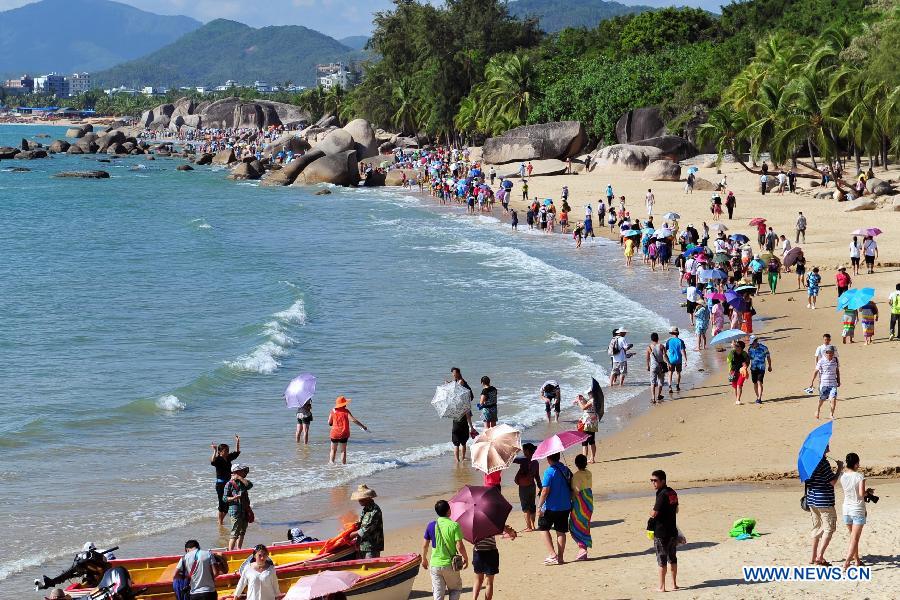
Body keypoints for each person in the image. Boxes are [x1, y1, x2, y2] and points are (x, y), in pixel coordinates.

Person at [422, 500, 468, 600]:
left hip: (435, 565)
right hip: (450, 565)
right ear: (449, 511)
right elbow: (460, 546)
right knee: (455, 589)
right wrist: (466, 558)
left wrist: (424, 559)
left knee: (438, 594)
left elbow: (425, 545)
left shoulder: (431, 525)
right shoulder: (454, 525)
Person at [806, 447, 842, 566]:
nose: (829, 449)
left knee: (817, 526)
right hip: (824, 500)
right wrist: (839, 469)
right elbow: (832, 481)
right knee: (829, 528)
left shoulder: (809, 462)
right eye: (826, 447)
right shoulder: (823, 463)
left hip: (811, 499)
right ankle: (819, 557)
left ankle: (812, 557)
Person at [537, 452, 573, 565]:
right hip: (565, 505)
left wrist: (539, 506)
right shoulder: (566, 469)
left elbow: (545, 491)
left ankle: (553, 555)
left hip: (551, 507)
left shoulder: (549, 471)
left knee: (543, 528)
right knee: (561, 531)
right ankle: (560, 558)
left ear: (548, 458)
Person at [649, 470, 679, 592]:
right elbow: (676, 509)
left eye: (655, 480)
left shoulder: (661, 494)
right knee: (672, 558)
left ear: (663, 481)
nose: (653, 483)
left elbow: (655, 513)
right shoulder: (672, 492)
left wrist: (650, 512)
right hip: (672, 531)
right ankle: (674, 584)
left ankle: (661, 587)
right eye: (651, 480)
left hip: (662, 532)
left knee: (662, 560)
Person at [840, 452, 870, 570]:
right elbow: (862, 494)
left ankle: (857, 559)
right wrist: (869, 493)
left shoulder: (843, 476)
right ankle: (847, 562)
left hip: (846, 509)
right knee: (855, 538)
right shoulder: (859, 476)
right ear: (856, 463)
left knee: (852, 536)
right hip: (857, 509)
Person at [471, 523, 516, 600]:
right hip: (491, 552)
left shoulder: (473, 523)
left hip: (478, 552)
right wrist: (512, 533)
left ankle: (474, 599)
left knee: (478, 580)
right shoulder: (491, 520)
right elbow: (502, 527)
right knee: (489, 582)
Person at [328, 396, 368, 464]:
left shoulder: (333, 411)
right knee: (343, 451)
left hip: (334, 433)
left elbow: (329, 422)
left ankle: (331, 465)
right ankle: (343, 466)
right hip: (344, 433)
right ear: (343, 404)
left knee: (333, 450)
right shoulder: (346, 411)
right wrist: (363, 426)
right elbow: (353, 420)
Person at [211, 436, 241, 526]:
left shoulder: (228, 458)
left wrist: (237, 442)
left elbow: (237, 452)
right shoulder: (218, 460)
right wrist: (215, 450)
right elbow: (212, 461)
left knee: (228, 504)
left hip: (229, 483)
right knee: (222, 503)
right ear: (220, 452)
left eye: (228, 450)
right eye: (225, 450)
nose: (227, 452)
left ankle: (220, 521)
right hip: (220, 484)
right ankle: (220, 522)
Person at [223, 464, 253, 550]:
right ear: (236, 472)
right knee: (235, 532)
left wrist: (239, 478)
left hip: (244, 509)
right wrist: (234, 498)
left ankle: (239, 549)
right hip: (235, 510)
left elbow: (250, 485)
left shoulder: (243, 482)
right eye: (242, 471)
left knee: (242, 532)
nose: (244, 472)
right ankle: (230, 551)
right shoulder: (229, 484)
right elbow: (224, 498)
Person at [449, 368, 477, 462]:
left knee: (456, 444)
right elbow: (468, 417)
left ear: (458, 373)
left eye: (454, 373)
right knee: (463, 443)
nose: (453, 375)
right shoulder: (465, 406)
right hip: (464, 424)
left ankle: (457, 460)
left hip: (455, 425)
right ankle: (463, 457)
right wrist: (471, 427)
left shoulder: (454, 406)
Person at [569, 454, 593, 561]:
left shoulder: (576, 475)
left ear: (576, 464)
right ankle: (583, 550)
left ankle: (582, 548)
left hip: (580, 502)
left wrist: (570, 497)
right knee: (584, 525)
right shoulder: (589, 473)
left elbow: (576, 491)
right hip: (589, 501)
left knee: (575, 525)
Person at [349, 484, 383, 558]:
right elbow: (361, 523)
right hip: (363, 545)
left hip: (372, 546)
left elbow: (368, 528)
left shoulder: (375, 510)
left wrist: (353, 534)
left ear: (368, 498)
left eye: (361, 498)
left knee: (371, 566)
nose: (359, 500)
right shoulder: (365, 509)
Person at [513, 443, 541, 531]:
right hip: (532, 486)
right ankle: (533, 525)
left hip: (523, 487)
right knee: (532, 505)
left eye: (524, 450)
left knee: (525, 507)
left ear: (528, 451)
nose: (523, 452)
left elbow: (512, 460)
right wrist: (540, 487)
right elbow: (537, 476)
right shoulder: (536, 462)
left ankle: (528, 527)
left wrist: (511, 452)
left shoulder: (524, 460)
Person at [809, 345, 840, 419]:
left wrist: (839, 380)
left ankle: (831, 414)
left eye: (831, 353)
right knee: (822, 400)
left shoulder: (835, 360)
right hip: (824, 384)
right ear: (826, 353)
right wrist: (812, 381)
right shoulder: (821, 361)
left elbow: (837, 371)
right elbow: (816, 371)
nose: (830, 354)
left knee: (833, 399)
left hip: (833, 384)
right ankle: (818, 410)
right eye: (828, 352)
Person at [746, 336, 772, 404]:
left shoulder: (764, 348)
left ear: (756, 341)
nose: (752, 345)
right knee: (755, 383)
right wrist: (745, 368)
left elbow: (768, 356)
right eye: (751, 344)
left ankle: (759, 398)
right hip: (753, 368)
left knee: (759, 381)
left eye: (753, 343)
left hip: (761, 367)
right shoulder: (750, 349)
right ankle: (757, 397)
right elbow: (748, 359)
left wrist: (770, 366)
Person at [574, 393, 598, 463]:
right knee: (591, 441)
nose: (588, 394)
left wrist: (578, 401)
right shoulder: (594, 400)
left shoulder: (592, 400)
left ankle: (585, 460)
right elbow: (587, 405)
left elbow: (583, 408)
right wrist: (582, 399)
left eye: (589, 393)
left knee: (585, 442)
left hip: (588, 422)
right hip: (592, 422)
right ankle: (592, 458)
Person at [646, 332, 668, 404]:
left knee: (652, 382)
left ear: (651, 339)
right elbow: (665, 356)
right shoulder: (661, 346)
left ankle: (653, 398)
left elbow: (647, 358)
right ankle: (658, 395)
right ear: (658, 338)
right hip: (661, 366)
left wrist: (648, 366)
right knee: (660, 381)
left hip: (653, 366)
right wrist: (668, 363)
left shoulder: (649, 347)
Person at [727, 340, 750, 405]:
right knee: (735, 386)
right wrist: (731, 353)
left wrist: (745, 368)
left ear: (741, 347)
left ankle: (738, 399)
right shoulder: (732, 353)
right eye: (735, 345)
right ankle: (737, 398)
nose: (735, 346)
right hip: (733, 371)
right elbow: (728, 361)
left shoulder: (744, 354)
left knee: (739, 385)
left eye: (737, 346)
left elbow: (747, 362)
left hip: (742, 372)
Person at [664, 327, 687, 395]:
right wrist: (686, 360)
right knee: (678, 373)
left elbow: (665, 351)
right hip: (679, 360)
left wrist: (665, 359)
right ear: (677, 333)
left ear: (672, 333)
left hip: (671, 360)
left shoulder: (669, 341)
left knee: (670, 373)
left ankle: (670, 387)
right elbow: (683, 351)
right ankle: (677, 386)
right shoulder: (680, 341)